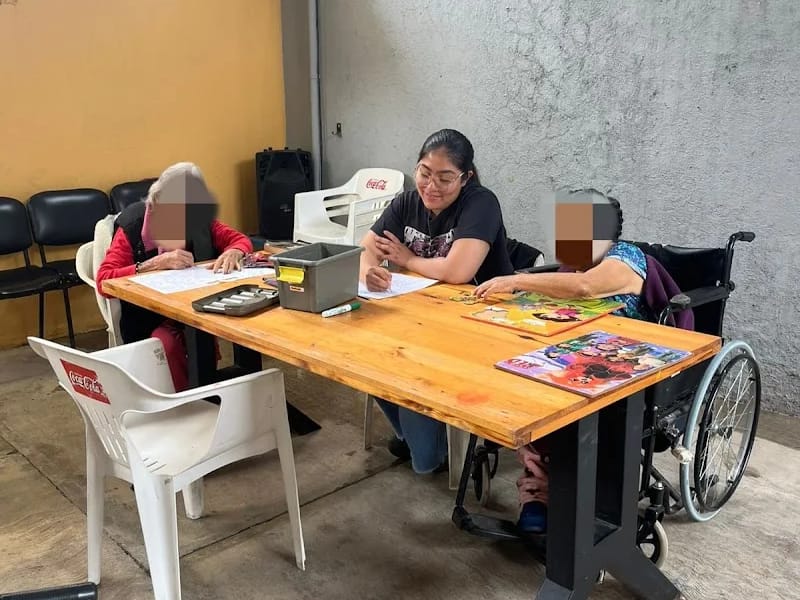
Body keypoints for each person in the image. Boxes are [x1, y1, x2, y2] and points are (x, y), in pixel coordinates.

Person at [474, 188, 649, 534]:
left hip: (622, 365)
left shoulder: (626, 257)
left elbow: (585, 288)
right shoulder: (570, 267)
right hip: (569, 357)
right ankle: (537, 487)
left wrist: (517, 279)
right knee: (516, 382)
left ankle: (572, 496)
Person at [361, 128, 514, 474]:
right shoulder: (406, 202)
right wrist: (370, 270)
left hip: (481, 324)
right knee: (367, 355)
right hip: (421, 315)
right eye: (424, 174)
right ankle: (424, 439)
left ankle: (435, 445)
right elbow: (366, 246)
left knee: (423, 457)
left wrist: (406, 259)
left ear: (466, 178)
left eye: (445, 178)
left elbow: (458, 270)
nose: (431, 186)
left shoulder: (480, 203)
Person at [96, 162, 252, 392]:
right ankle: (185, 401)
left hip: (194, 310)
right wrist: (152, 264)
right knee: (167, 343)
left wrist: (234, 250)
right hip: (146, 317)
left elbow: (239, 239)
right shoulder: (132, 227)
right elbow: (104, 280)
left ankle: (208, 392)